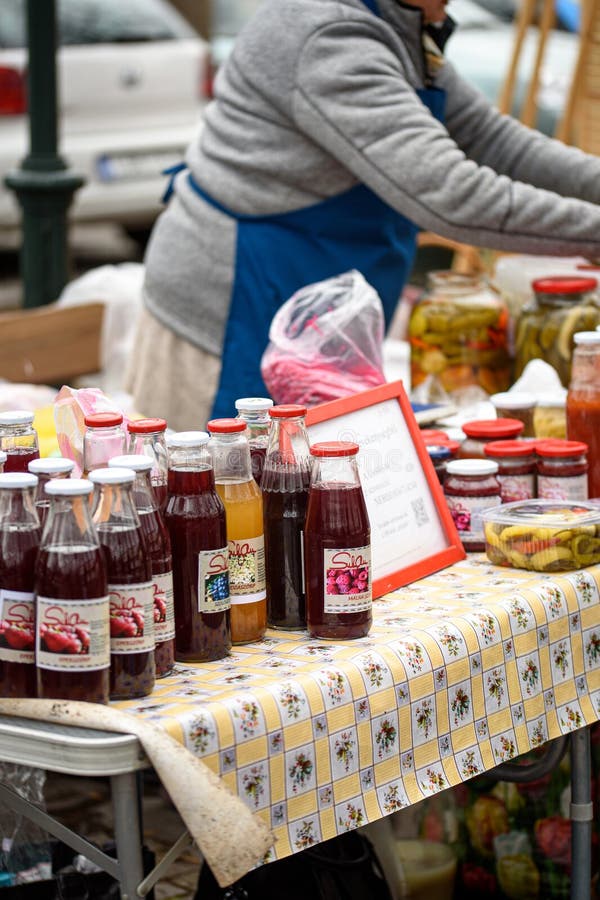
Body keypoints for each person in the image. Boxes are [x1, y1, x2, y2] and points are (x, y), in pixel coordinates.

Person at [127, 0, 600, 430]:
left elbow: (499, 144)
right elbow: (452, 194)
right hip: (236, 311)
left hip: (316, 314)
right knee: (231, 482)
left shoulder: (395, 29)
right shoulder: (327, 38)